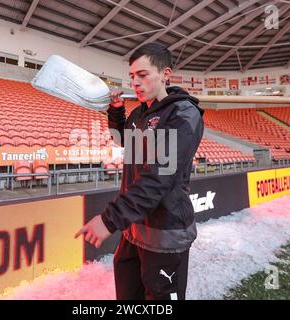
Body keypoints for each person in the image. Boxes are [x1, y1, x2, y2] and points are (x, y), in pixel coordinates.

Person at [75, 42, 205, 300]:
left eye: (143, 75)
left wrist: (110, 219)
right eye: (132, 76)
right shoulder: (138, 114)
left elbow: (159, 177)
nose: (135, 82)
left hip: (165, 234)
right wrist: (116, 113)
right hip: (134, 231)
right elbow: (122, 140)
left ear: (165, 74)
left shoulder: (184, 114)